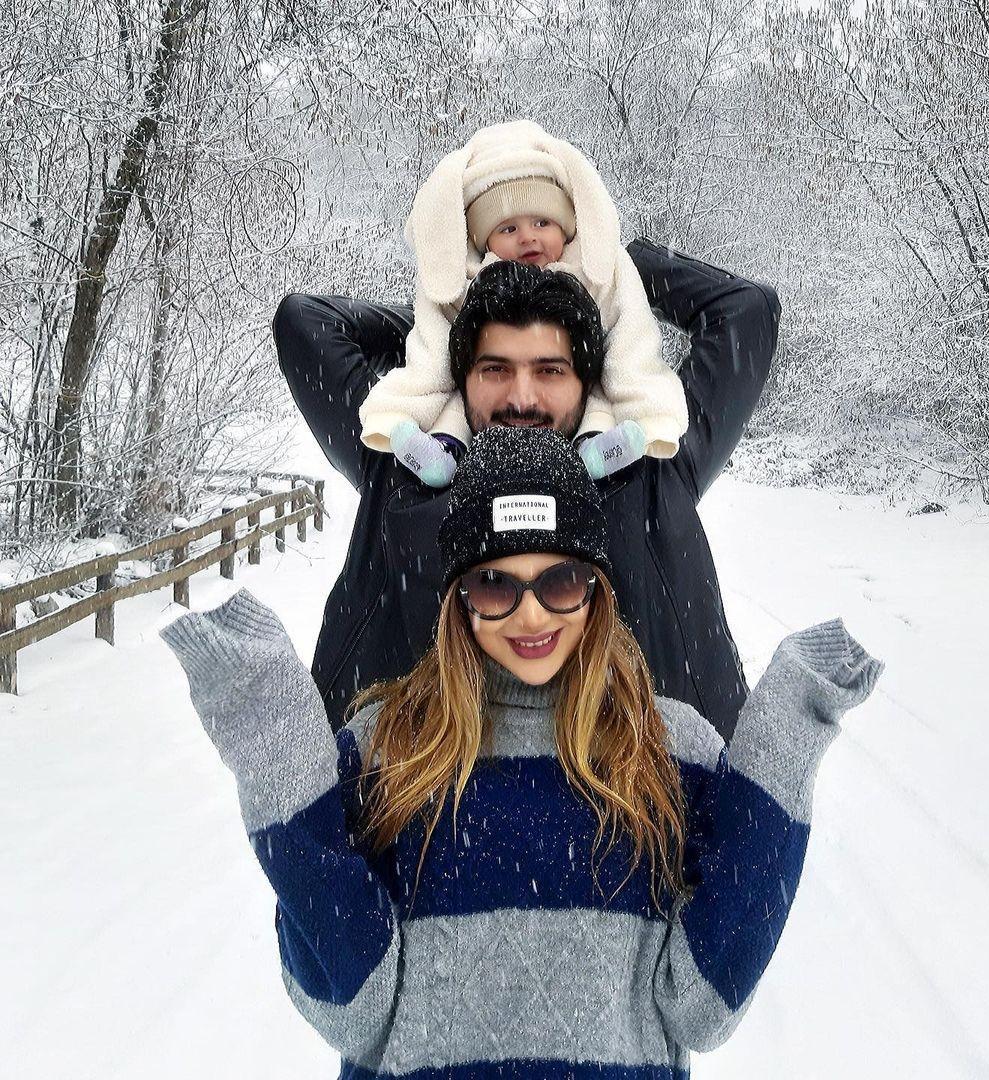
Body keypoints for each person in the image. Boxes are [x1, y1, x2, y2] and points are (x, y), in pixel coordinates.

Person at [160, 426, 883, 1079]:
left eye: (560, 579)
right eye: (494, 583)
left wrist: (792, 726)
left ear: (597, 589)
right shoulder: (386, 749)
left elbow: (704, 1008)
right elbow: (350, 1008)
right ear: (458, 597)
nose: (531, 613)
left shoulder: (671, 750)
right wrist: (271, 745)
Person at [274, 240, 780, 742]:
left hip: (664, 781)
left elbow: (746, 311)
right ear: (460, 379)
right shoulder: (402, 465)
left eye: (549, 370)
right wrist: (441, 328)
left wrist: (612, 269)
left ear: (588, 382)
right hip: (403, 784)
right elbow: (306, 323)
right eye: (494, 369)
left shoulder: (653, 461)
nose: (521, 397)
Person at [356, 120, 690, 485]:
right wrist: (400, 405)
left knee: (598, 387)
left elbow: (631, 336)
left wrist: (648, 407)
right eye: (508, 229)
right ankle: (444, 451)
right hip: (475, 406)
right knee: (457, 393)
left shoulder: (596, 269)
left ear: (567, 225)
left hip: (586, 380)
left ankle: (594, 448)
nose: (528, 238)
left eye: (543, 222)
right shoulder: (463, 280)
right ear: (482, 240)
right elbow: (431, 348)